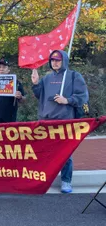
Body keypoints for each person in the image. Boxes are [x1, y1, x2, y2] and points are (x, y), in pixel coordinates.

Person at [32, 50, 89, 193]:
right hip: (46, 121)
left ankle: (66, 181)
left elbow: (83, 96)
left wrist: (67, 100)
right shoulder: (47, 78)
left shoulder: (74, 76)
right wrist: (35, 84)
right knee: (45, 152)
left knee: (65, 154)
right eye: (52, 60)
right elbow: (40, 96)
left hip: (65, 121)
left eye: (58, 60)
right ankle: (44, 179)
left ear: (64, 60)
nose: (55, 62)